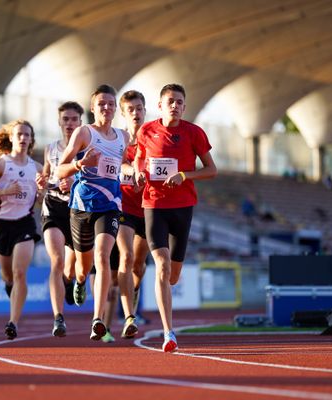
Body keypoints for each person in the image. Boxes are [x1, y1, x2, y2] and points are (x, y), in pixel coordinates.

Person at [134, 83, 217, 352]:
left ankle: (168, 290)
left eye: (179, 102)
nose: (175, 106)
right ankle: (169, 333)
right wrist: (137, 171)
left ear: (184, 106)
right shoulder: (146, 130)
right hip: (154, 205)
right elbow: (138, 158)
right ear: (160, 105)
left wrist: (185, 175)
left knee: (173, 275)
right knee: (162, 265)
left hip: (183, 207)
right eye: (170, 101)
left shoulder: (194, 133)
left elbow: (211, 170)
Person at [56, 84, 129, 341]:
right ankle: (78, 281)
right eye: (101, 104)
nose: (106, 108)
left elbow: (125, 166)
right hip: (81, 206)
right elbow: (59, 170)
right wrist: (80, 164)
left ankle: (97, 319)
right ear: (93, 108)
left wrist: (135, 174)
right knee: (83, 267)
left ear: (115, 108)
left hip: (109, 206)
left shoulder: (123, 137)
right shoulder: (83, 133)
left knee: (103, 256)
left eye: (110, 104)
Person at [0, 119, 43, 340]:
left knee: (20, 272)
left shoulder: (37, 168)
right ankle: (8, 285)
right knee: (7, 275)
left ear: (32, 140)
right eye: (19, 134)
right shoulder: (1, 164)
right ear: (11, 138)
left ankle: (12, 322)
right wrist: (5, 192)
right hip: (2, 225)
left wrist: (42, 195)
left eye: (27, 135)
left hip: (25, 223)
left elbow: (43, 200)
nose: (23, 138)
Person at [36, 101, 84, 337]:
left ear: (80, 122)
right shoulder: (50, 149)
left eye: (74, 119)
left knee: (73, 268)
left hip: (78, 209)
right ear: (59, 122)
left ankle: (69, 281)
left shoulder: (87, 149)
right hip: (53, 206)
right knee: (56, 260)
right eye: (65, 119)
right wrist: (42, 182)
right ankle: (58, 318)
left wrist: (74, 182)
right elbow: (46, 175)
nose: (69, 124)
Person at [115, 90, 150, 339]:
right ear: (123, 113)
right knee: (125, 257)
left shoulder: (154, 138)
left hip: (149, 208)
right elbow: (117, 165)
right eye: (130, 109)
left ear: (145, 110)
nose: (135, 113)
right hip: (124, 206)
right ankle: (129, 317)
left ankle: (134, 291)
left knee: (138, 265)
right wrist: (133, 169)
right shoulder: (118, 139)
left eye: (139, 108)